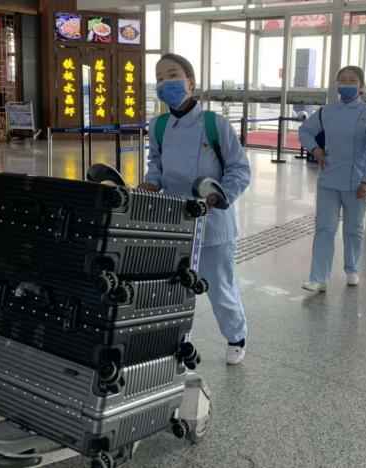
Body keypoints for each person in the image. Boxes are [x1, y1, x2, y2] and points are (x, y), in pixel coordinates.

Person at [139, 53, 251, 365]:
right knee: (172, 286)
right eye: (160, 78)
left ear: (190, 81)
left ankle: (236, 336)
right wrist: (151, 184)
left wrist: (220, 195)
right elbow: (156, 165)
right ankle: (174, 339)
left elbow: (240, 169)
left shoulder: (215, 124)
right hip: (174, 220)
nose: (166, 83)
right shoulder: (159, 126)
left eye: (173, 75)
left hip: (213, 222)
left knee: (219, 287)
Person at [298, 65, 366, 291]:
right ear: (337, 85)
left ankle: (352, 268)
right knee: (324, 228)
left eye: (352, 80)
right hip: (328, 179)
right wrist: (315, 149)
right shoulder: (326, 112)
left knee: (353, 229)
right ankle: (319, 277)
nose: (346, 84)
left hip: (357, 182)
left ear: (361, 86)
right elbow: (305, 131)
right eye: (343, 80)